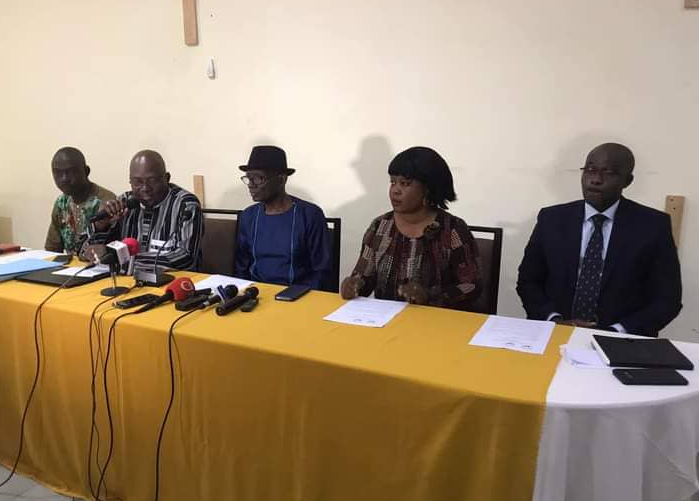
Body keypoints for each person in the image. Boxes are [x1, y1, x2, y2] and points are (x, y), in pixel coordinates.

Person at [516, 142, 682, 337]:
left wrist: (615, 332)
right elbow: (528, 281)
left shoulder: (653, 226)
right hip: (555, 332)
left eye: (608, 172)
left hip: (622, 339)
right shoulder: (551, 219)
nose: (595, 179)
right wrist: (554, 320)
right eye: (590, 170)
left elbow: (667, 300)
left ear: (627, 181)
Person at [340, 146, 482, 309]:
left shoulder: (452, 230)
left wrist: (429, 296)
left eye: (405, 183)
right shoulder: (380, 226)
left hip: (436, 319)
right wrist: (353, 285)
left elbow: (471, 286)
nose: (395, 190)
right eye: (393, 182)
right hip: (386, 319)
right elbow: (364, 277)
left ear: (427, 189)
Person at [234, 145, 331, 289]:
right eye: (248, 178)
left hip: (299, 295)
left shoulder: (310, 215)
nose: (251, 185)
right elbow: (241, 268)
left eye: (258, 178)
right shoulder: (248, 216)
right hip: (256, 293)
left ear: (281, 180)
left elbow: (321, 272)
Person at [90, 150, 203, 272]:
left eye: (152, 180)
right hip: (126, 279)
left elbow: (186, 258)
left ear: (167, 178)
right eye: (137, 182)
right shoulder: (123, 203)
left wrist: (122, 259)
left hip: (173, 280)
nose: (145, 188)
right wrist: (101, 225)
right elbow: (86, 251)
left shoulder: (185, 205)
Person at [44, 147, 115, 256]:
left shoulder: (106, 202)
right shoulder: (61, 203)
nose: (64, 179)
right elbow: (52, 249)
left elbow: (116, 250)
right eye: (57, 173)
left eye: (70, 172)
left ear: (86, 171)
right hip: (69, 265)